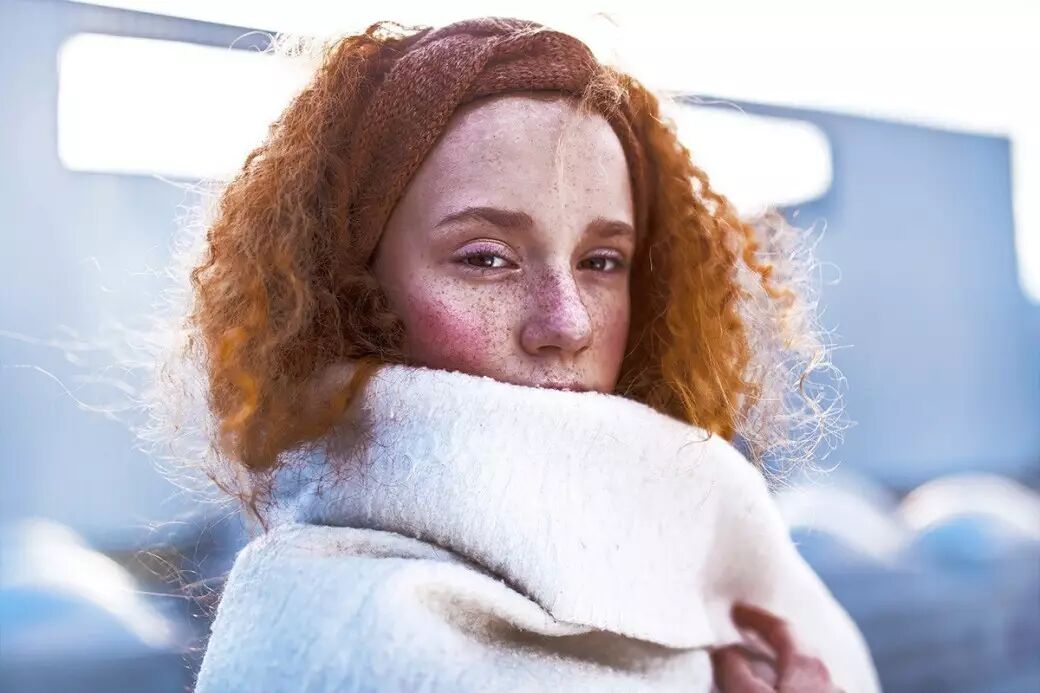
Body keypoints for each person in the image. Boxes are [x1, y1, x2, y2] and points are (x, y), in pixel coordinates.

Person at [172, 15, 879, 692]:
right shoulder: (325, 635)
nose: (567, 323)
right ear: (350, 292)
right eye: (486, 258)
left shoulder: (729, 567)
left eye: (602, 261)